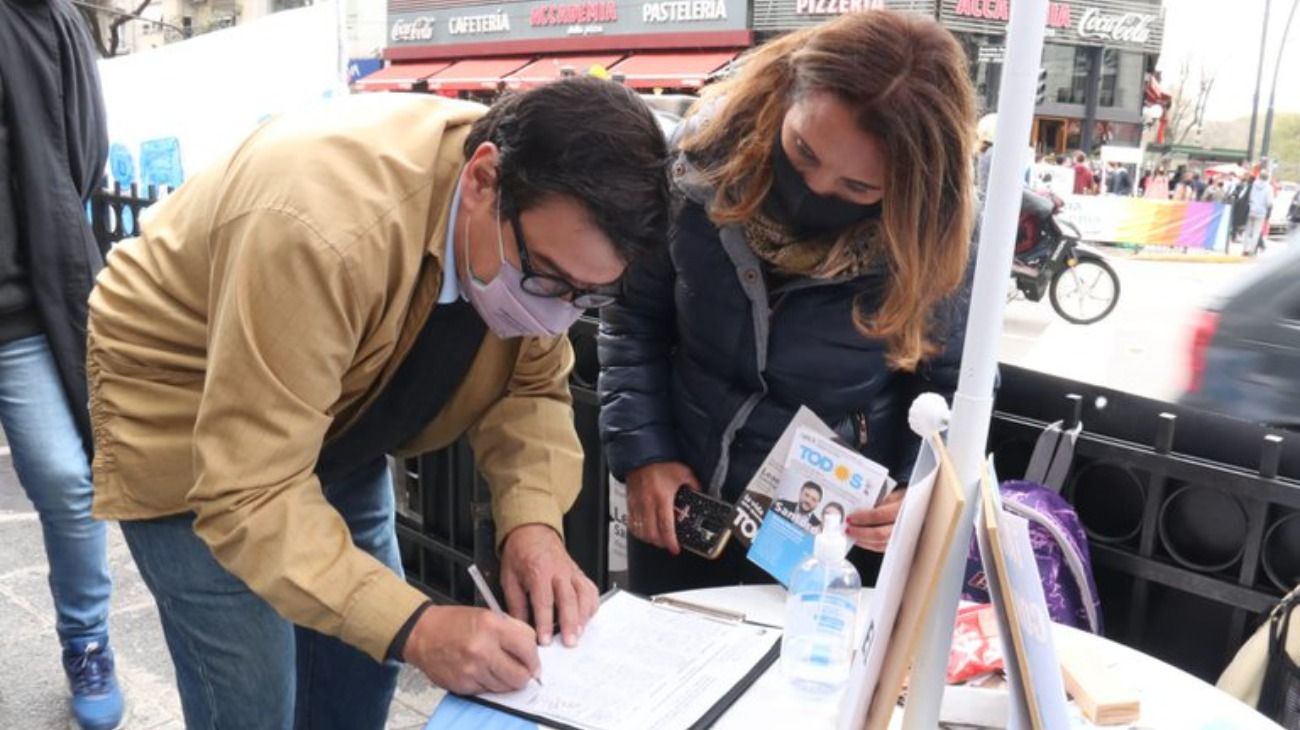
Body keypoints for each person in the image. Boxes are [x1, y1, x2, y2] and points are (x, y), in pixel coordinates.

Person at [87, 78, 670, 728]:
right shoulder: (319, 228)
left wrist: (533, 527)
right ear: (482, 181)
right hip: (184, 410)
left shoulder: (531, 222)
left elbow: (529, 385)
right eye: (547, 280)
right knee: (252, 690)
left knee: (362, 664)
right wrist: (419, 627)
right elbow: (249, 490)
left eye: (587, 297)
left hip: (347, 408)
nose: (559, 316)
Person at [599, 10, 976, 594]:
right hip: (683, 500)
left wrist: (919, 489)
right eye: (801, 151)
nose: (816, 190)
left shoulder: (932, 239)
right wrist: (644, 452)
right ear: (784, 95)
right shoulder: (701, 163)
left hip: (829, 534)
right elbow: (635, 316)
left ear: (908, 189)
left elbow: (956, 387)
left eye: (858, 188)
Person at [0, 2, 125, 728]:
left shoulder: (47, 18)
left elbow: (82, 154)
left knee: (65, 476)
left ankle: (87, 642)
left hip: (18, 309)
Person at [1245, 170, 1275, 256]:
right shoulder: (1269, 188)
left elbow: (1250, 196)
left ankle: (1245, 249)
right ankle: (1252, 251)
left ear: (1259, 176)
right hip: (1261, 212)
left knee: (1247, 231)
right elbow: (1269, 202)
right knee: (1256, 232)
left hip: (1251, 209)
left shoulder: (1254, 184)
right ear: (1267, 178)